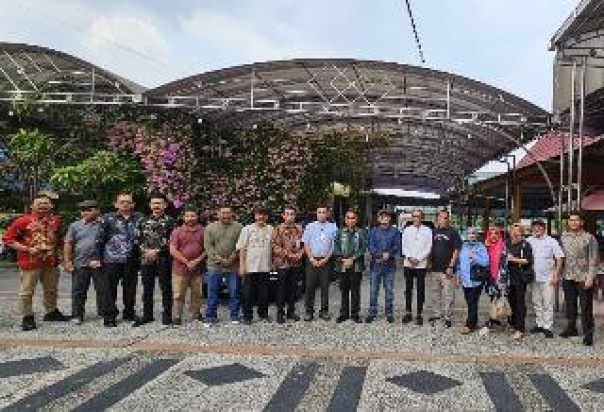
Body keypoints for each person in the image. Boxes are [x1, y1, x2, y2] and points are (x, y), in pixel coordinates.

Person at [2, 194, 69, 331]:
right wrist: (27, 249)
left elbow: (60, 240)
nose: (43, 205)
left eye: (46, 203)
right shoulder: (22, 221)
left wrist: (64, 258)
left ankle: (51, 312)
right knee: (27, 292)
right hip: (30, 262)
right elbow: (8, 239)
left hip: (50, 262)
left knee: (51, 290)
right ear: (32, 205)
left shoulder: (56, 220)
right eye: (40, 203)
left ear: (51, 206)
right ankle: (27, 317)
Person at [91, 192, 144, 327]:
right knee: (109, 289)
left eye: (128, 201)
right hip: (111, 259)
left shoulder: (139, 218)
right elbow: (99, 239)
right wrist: (96, 257)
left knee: (130, 288)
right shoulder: (108, 218)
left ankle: (129, 312)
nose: (125, 204)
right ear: (116, 204)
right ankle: (109, 315)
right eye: (122, 202)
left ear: (133, 204)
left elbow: (144, 237)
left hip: (131, 259)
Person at [134, 193, 176, 327]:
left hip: (164, 258)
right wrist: (146, 251)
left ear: (165, 205)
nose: (156, 205)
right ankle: (147, 315)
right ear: (150, 205)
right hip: (146, 258)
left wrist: (157, 251)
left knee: (166, 287)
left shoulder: (171, 221)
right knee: (147, 288)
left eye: (159, 203)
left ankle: (167, 315)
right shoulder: (143, 221)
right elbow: (137, 238)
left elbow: (173, 241)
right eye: (153, 203)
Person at [559, 212, 599, 346]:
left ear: (582, 222)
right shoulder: (564, 237)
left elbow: (594, 259)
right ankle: (572, 328)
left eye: (576, 220)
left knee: (586, 307)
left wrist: (590, 278)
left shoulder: (589, 238)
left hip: (583, 277)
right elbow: (561, 257)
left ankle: (588, 334)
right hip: (568, 276)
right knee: (570, 305)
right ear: (568, 222)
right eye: (571, 220)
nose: (573, 222)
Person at [63, 200, 103, 325]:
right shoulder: (74, 226)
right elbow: (68, 243)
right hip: (80, 263)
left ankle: (104, 312)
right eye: (83, 210)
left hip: (100, 263)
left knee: (102, 289)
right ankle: (77, 315)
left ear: (97, 211)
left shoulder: (104, 224)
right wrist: (67, 261)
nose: (85, 212)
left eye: (89, 210)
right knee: (78, 291)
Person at [204, 206, 243, 326]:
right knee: (212, 291)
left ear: (232, 214)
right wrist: (219, 259)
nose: (225, 215)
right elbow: (208, 247)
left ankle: (234, 315)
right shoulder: (210, 227)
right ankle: (210, 316)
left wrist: (231, 259)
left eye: (228, 213)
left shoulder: (239, 227)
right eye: (223, 213)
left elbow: (240, 245)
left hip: (233, 266)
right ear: (218, 214)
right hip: (214, 266)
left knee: (234, 291)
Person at [526, 219, 564, 338]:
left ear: (544, 228)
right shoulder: (528, 240)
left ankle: (548, 327)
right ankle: (539, 324)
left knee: (547, 302)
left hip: (548, 277)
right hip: (533, 277)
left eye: (540, 227)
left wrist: (556, 275)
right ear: (532, 229)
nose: (537, 229)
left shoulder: (551, 241)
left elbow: (559, 258)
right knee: (536, 302)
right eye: (535, 227)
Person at [169, 205, 206, 326]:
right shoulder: (177, 231)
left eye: (193, 216)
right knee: (178, 294)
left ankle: (196, 313)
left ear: (197, 217)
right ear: (183, 217)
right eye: (188, 216)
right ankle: (177, 315)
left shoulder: (203, 230)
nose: (190, 218)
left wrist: (196, 261)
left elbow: (207, 249)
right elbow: (173, 250)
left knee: (198, 293)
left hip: (198, 268)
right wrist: (187, 262)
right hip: (180, 269)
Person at [237, 207, 274, 325]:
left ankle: (263, 313)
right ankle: (247, 316)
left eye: (264, 215)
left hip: (265, 266)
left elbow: (274, 248)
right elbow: (242, 248)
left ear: (267, 217)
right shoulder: (247, 229)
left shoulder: (271, 229)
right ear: (255, 216)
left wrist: (273, 262)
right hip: (250, 267)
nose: (261, 217)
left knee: (264, 292)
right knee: (248, 293)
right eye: (259, 214)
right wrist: (242, 266)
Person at [303, 206, 337, 321]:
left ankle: (324, 311)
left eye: (324, 212)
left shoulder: (333, 227)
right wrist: (312, 259)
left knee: (324, 287)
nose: (321, 214)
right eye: (319, 212)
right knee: (309, 287)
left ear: (327, 214)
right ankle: (309, 311)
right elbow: (306, 244)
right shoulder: (310, 226)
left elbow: (333, 245)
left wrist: (325, 259)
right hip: (311, 260)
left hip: (326, 261)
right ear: (316, 214)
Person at [428, 210, 462, 328]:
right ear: (437, 219)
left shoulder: (453, 232)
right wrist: (429, 262)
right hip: (435, 269)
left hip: (447, 270)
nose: (444, 219)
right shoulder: (433, 232)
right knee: (435, 293)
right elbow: (430, 248)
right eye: (441, 217)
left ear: (449, 219)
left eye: (446, 218)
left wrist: (451, 266)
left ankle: (447, 316)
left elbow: (456, 250)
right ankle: (437, 314)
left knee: (448, 295)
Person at [366, 210, 400, 323]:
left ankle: (389, 313)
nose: (384, 218)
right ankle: (372, 312)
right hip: (375, 265)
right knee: (373, 290)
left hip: (389, 266)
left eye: (387, 216)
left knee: (389, 290)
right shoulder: (373, 231)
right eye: (382, 216)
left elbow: (397, 246)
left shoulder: (395, 231)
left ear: (390, 219)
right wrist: (381, 254)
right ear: (379, 219)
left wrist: (389, 254)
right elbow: (370, 246)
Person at [333, 210, 367, 324]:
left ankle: (355, 314)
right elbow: (336, 247)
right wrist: (343, 259)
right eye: (348, 218)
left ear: (356, 220)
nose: (350, 220)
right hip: (342, 265)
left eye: (353, 218)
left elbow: (363, 248)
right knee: (344, 290)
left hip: (356, 265)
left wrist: (352, 259)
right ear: (345, 219)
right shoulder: (339, 232)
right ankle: (344, 313)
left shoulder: (361, 232)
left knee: (355, 290)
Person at [271, 207, 304, 323]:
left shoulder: (299, 229)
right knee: (281, 289)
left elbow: (304, 244)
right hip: (283, 264)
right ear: (283, 216)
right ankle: (280, 313)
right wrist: (288, 254)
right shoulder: (278, 229)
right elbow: (275, 246)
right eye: (287, 214)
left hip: (295, 264)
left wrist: (300, 254)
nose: (290, 216)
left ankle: (291, 311)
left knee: (293, 289)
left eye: (292, 214)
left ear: (295, 216)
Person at [401, 209, 432, 325]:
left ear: (422, 218)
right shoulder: (407, 230)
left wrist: (419, 259)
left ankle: (419, 314)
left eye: (418, 216)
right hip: (408, 264)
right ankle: (408, 312)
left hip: (421, 264)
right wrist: (409, 257)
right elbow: (403, 245)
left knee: (420, 290)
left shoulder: (428, 231)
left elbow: (429, 247)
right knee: (408, 289)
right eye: (414, 216)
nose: (416, 218)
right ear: (411, 218)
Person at [456, 227, 489, 334]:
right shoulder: (464, 246)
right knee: (470, 302)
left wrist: (475, 257)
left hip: (476, 280)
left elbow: (485, 262)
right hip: (465, 280)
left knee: (472, 302)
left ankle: (469, 324)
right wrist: (458, 276)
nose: (471, 235)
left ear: (476, 235)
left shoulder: (481, 247)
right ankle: (473, 322)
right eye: (469, 233)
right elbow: (460, 263)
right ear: (466, 235)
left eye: (473, 233)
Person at [506, 223, 534, 341]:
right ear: (510, 232)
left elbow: (528, 260)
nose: (515, 233)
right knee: (511, 301)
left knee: (520, 303)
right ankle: (513, 323)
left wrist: (513, 259)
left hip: (519, 277)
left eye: (518, 231)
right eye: (513, 231)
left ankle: (520, 328)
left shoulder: (525, 244)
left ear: (522, 233)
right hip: (508, 277)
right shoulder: (507, 243)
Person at [480, 225, 509, 336]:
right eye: (491, 233)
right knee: (493, 299)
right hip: (489, 277)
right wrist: (485, 247)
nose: (493, 236)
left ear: (499, 235)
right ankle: (495, 319)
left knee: (496, 299)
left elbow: (505, 264)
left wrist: (501, 280)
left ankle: (490, 323)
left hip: (500, 278)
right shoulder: (486, 246)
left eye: (496, 233)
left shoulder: (503, 246)